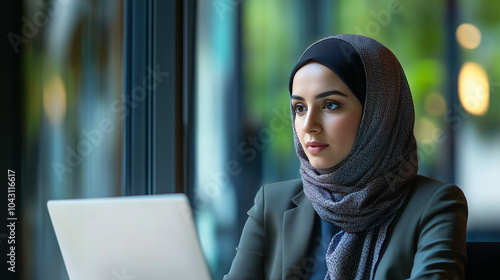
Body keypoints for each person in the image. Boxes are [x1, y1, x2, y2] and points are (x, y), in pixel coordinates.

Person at [224, 34, 468, 280]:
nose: (309, 125)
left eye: (330, 105)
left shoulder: (436, 204)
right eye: (299, 108)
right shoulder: (272, 204)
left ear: (378, 112)